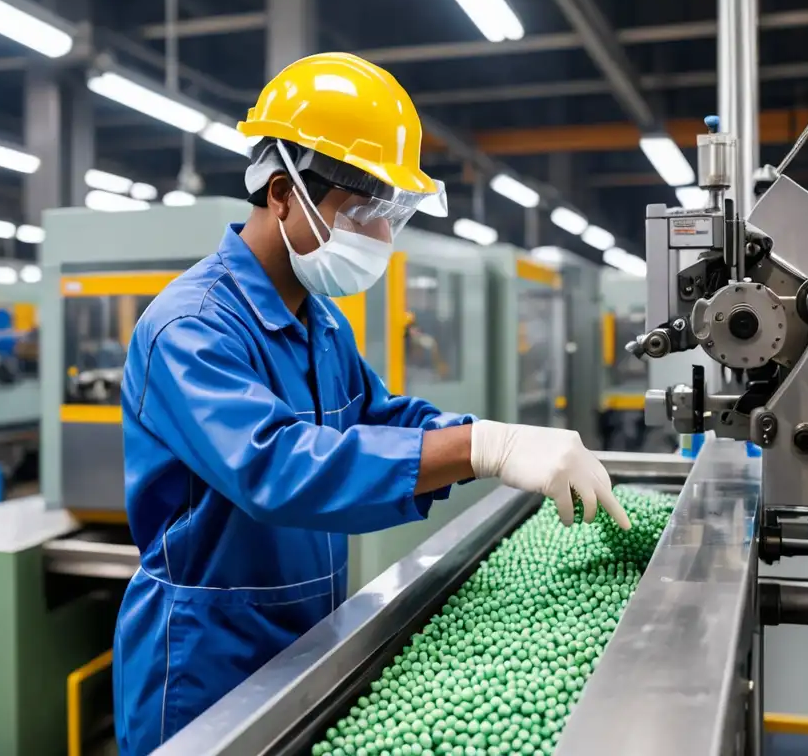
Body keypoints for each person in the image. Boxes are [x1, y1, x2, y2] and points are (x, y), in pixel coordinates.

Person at [112, 51, 630, 755]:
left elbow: (380, 417)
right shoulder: (192, 328)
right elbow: (276, 466)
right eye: (361, 212)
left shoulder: (318, 320)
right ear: (280, 192)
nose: (381, 237)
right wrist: (481, 453)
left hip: (306, 631)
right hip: (206, 656)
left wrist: (490, 433)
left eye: (392, 215)